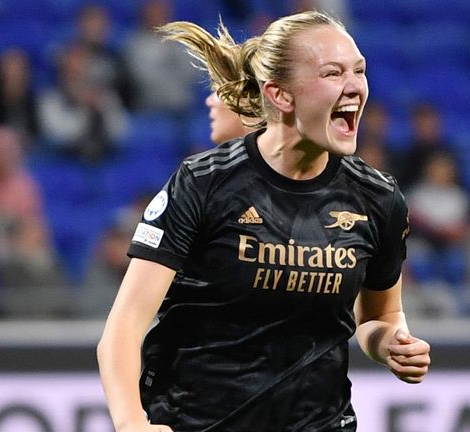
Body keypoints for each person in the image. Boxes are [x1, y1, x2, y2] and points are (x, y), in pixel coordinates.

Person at [97, 11, 431, 432]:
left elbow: (379, 317)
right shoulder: (204, 184)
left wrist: (392, 344)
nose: (355, 86)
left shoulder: (378, 198)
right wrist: (131, 423)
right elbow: (123, 328)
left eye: (359, 70)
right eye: (333, 73)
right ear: (280, 95)